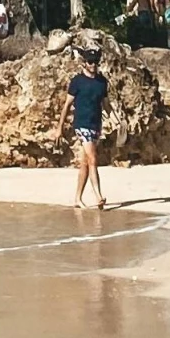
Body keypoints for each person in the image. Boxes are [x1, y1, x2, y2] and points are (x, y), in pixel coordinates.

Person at [56, 35, 110, 209]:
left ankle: (77, 199)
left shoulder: (102, 82)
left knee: (86, 162)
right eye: (90, 62)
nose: (93, 65)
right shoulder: (77, 81)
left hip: (96, 125)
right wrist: (59, 129)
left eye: (96, 62)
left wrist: (118, 120)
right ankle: (98, 196)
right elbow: (66, 106)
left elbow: (106, 105)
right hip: (82, 124)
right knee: (93, 158)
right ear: (84, 63)